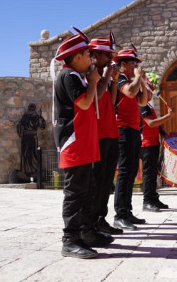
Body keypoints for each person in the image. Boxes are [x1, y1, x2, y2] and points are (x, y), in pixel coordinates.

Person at [52, 28, 113, 260]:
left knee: (87, 190)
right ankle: (70, 240)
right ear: (77, 57)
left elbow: (93, 99)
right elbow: (86, 103)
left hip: (85, 142)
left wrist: (95, 81)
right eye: (88, 55)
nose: (92, 59)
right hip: (74, 142)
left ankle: (87, 233)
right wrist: (94, 81)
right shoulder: (68, 76)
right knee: (75, 193)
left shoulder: (78, 76)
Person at [88, 33, 123, 236]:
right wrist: (108, 76)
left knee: (106, 180)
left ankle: (101, 219)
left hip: (110, 131)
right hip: (98, 134)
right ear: (96, 55)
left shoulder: (105, 76)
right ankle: (93, 221)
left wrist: (114, 81)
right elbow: (96, 96)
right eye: (106, 55)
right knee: (98, 181)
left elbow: (110, 100)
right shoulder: (91, 74)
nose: (111, 59)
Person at [113, 46, 148, 230]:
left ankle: (127, 211)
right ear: (124, 64)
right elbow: (130, 92)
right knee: (125, 172)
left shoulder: (131, 80)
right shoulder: (120, 78)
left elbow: (143, 100)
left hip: (133, 129)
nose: (136, 65)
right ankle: (120, 214)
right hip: (123, 129)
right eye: (133, 62)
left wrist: (142, 81)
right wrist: (137, 78)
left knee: (133, 171)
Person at [140, 85, 173, 212]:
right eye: (148, 91)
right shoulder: (142, 105)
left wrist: (163, 132)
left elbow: (155, 125)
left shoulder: (149, 106)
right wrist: (168, 116)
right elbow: (150, 123)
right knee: (148, 174)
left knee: (153, 173)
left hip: (153, 143)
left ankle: (154, 198)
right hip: (145, 144)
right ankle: (147, 201)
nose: (150, 93)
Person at [16, 103, 46, 182]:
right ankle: (27, 171)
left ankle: (33, 170)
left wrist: (40, 116)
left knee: (33, 154)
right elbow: (19, 125)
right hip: (27, 137)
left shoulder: (36, 117)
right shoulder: (27, 116)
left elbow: (43, 126)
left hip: (31, 137)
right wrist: (20, 134)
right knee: (26, 154)